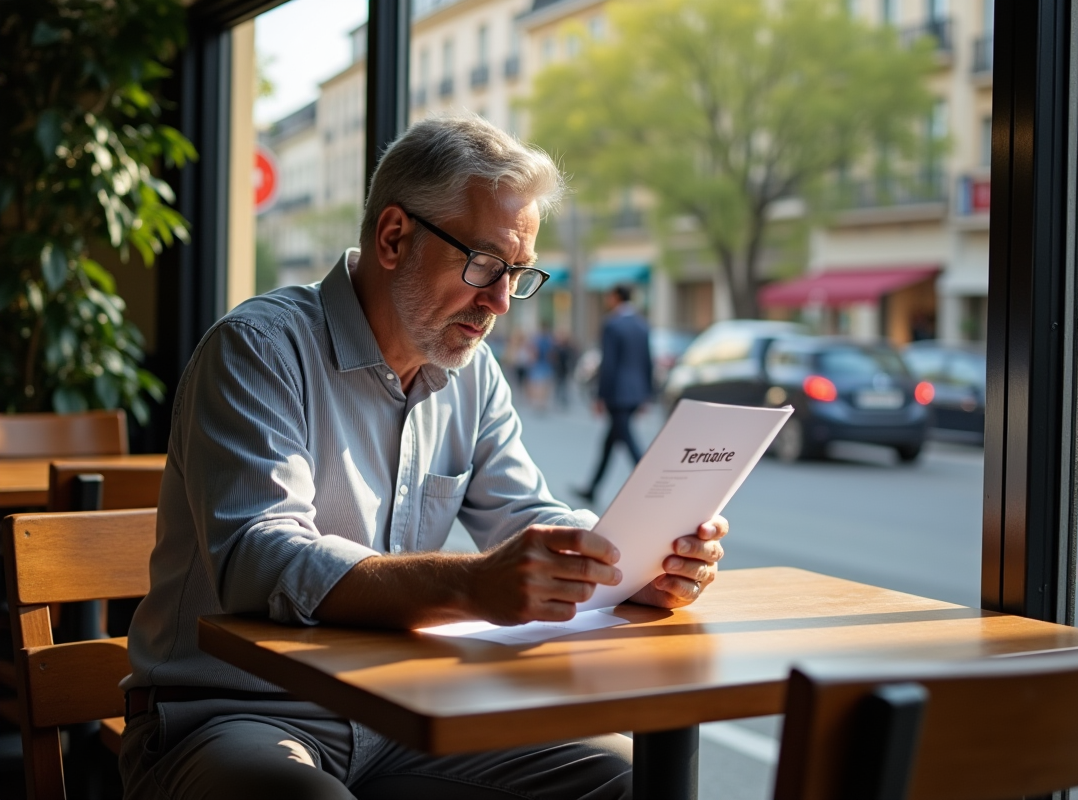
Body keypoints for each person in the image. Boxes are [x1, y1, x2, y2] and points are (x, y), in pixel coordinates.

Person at [118, 115, 727, 800]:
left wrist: (633, 563)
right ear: (393, 237)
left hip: (400, 713)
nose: (501, 302)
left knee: (623, 779)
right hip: (229, 715)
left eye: (517, 274)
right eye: (485, 264)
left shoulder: (472, 371)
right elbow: (261, 559)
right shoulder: (257, 350)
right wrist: (470, 585)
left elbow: (525, 514)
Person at [573, 285, 654, 504]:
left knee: (627, 439)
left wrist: (600, 396)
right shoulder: (642, 324)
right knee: (609, 443)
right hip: (635, 392)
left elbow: (608, 364)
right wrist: (647, 393)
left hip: (617, 393)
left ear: (616, 297)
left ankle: (651, 481)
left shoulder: (612, 324)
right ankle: (592, 488)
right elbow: (648, 361)